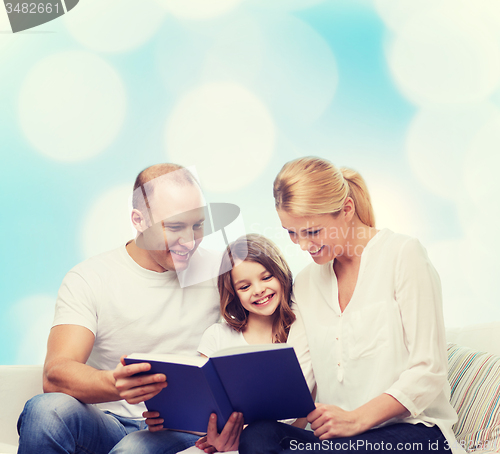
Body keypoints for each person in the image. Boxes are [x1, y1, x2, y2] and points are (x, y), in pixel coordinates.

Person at [239, 157, 464, 454]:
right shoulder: (306, 283)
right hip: (340, 442)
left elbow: (429, 371)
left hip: (415, 433)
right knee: (259, 435)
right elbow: (299, 378)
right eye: (292, 232)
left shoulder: (403, 255)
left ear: (346, 210)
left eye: (312, 231)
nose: (302, 245)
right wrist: (237, 425)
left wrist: (356, 419)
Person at [17, 164, 223, 454]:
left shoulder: (224, 275)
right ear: (138, 220)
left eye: (198, 224)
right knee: (46, 411)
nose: (189, 240)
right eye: (175, 227)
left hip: (183, 430)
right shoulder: (90, 277)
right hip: (109, 422)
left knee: (132, 450)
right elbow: (55, 374)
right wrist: (112, 384)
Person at [142, 234, 316, 454]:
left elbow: (298, 416)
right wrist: (168, 419)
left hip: (276, 443)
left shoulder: (300, 333)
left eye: (266, 277)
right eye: (244, 287)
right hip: (222, 444)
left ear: (281, 273)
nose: (258, 290)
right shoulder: (217, 336)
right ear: (233, 293)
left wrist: (243, 436)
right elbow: (204, 408)